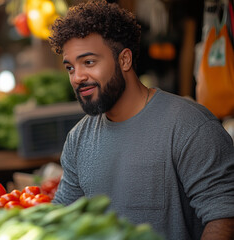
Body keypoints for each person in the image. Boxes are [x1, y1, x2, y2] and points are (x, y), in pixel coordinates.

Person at [48, 1, 234, 239]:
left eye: (89, 62)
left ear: (125, 60)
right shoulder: (78, 139)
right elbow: (62, 217)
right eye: (70, 68)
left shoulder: (190, 126)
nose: (77, 77)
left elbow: (224, 216)